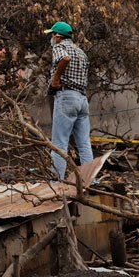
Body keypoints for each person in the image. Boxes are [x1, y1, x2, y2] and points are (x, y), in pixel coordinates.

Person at [45, 21, 92, 181]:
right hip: (82, 99)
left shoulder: (60, 47)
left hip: (67, 97)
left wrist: (56, 80)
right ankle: (89, 179)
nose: (51, 38)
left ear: (58, 37)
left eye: (52, 35)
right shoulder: (81, 52)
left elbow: (64, 59)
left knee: (59, 143)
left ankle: (56, 181)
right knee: (84, 143)